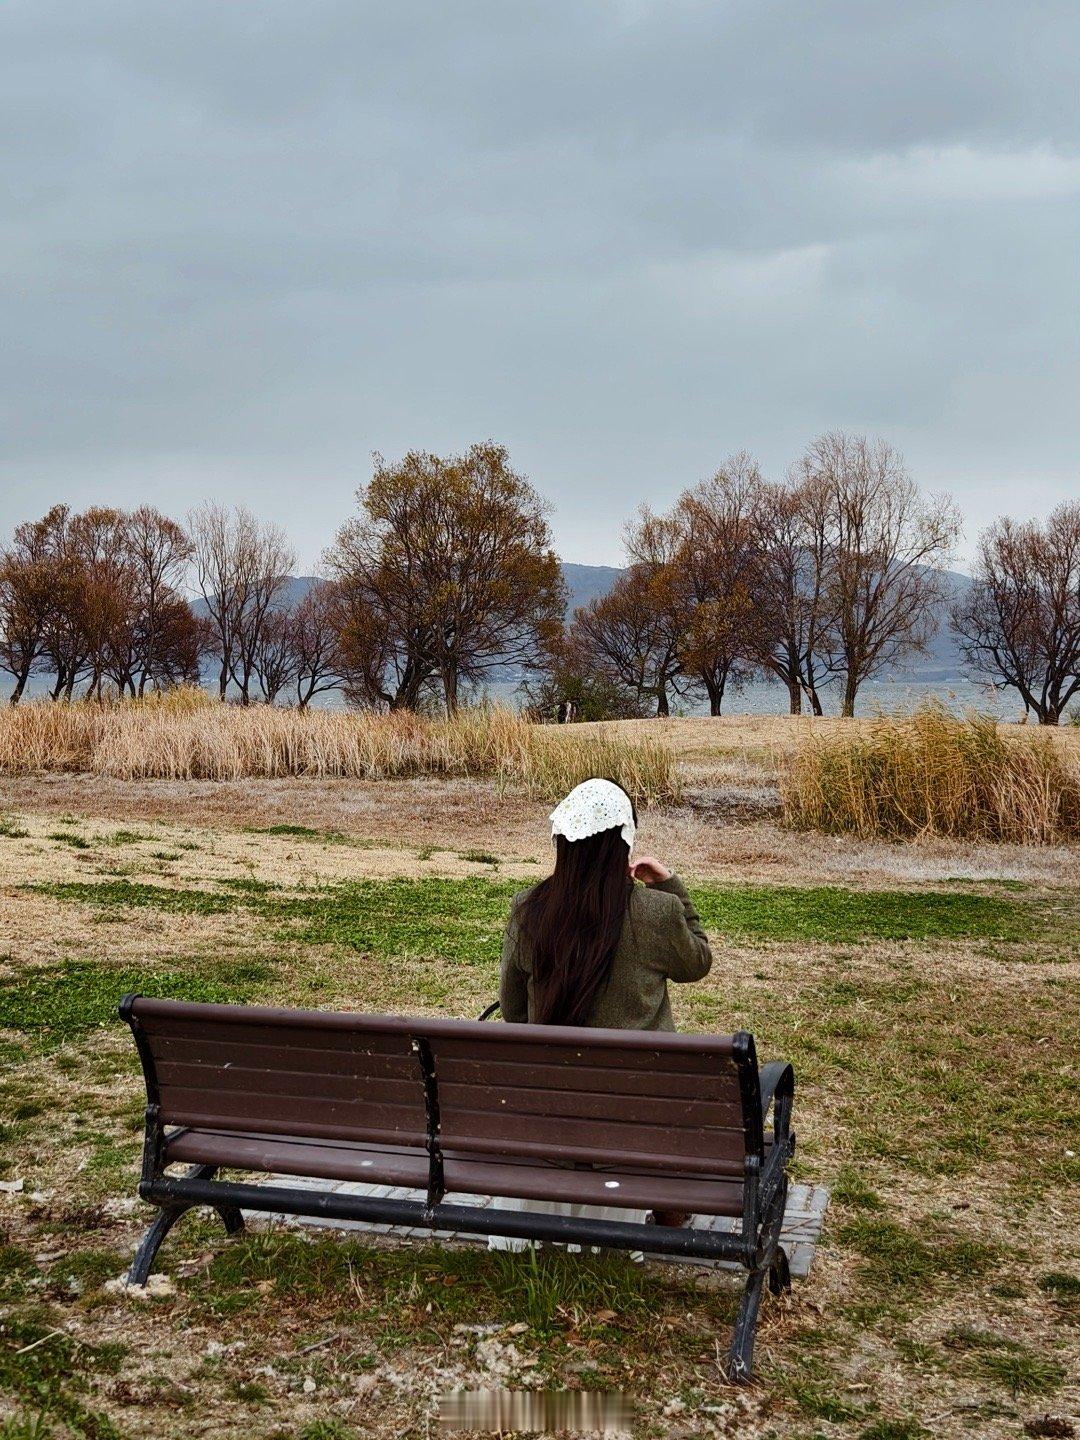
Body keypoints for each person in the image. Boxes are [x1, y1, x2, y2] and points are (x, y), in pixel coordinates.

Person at [489, 777, 712, 1246]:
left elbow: (512, 1012)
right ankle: (667, 1203)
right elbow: (697, 963)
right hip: (635, 1107)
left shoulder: (527, 909)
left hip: (551, 1101)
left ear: (564, 843)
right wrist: (671, 884)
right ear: (623, 843)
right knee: (662, 1088)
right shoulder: (657, 912)